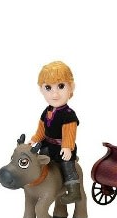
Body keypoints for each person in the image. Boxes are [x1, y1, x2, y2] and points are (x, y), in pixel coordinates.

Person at [29, 61, 82, 204]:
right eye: (48, 87)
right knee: (39, 162)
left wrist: (67, 147)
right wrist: (34, 139)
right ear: (41, 90)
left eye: (61, 86)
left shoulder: (68, 115)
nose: (55, 93)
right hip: (47, 146)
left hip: (62, 148)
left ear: (71, 87)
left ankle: (74, 191)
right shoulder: (46, 111)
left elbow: (69, 133)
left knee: (67, 166)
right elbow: (41, 129)